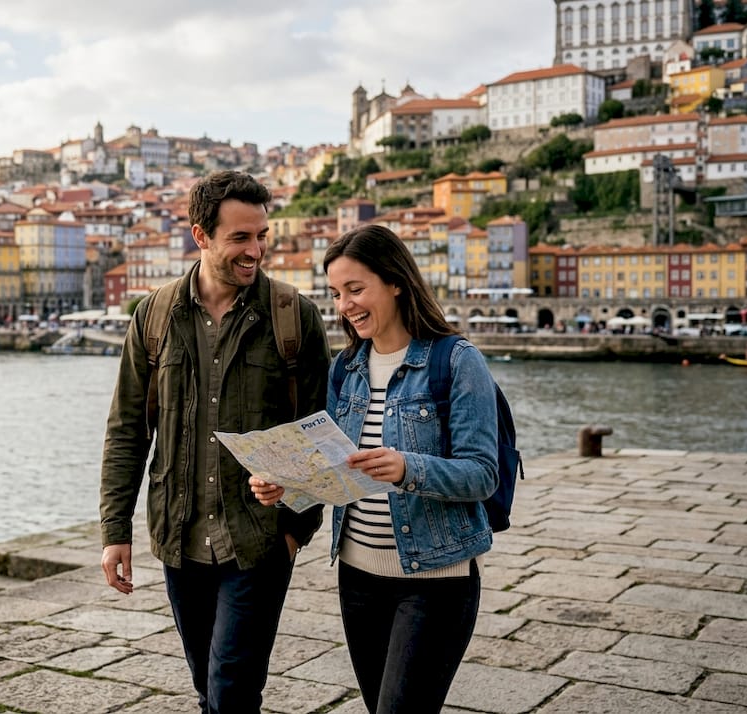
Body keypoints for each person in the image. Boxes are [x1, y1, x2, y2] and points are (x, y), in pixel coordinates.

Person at [99, 170, 332, 713]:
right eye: (241, 238)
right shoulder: (154, 317)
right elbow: (127, 430)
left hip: (259, 542)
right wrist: (116, 531)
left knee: (231, 688)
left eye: (262, 236)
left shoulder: (294, 317)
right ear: (201, 235)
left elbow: (320, 433)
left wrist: (297, 529)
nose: (256, 251)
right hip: (179, 538)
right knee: (209, 685)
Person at [251, 224, 499, 714]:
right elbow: (334, 474)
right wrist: (288, 486)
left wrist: (408, 466)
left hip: (436, 580)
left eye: (356, 289)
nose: (345, 305)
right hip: (357, 577)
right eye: (337, 293)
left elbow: (482, 473)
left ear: (396, 281)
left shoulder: (457, 361)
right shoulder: (346, 369)